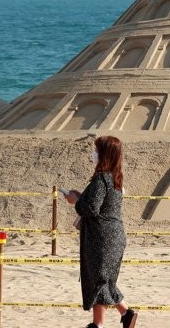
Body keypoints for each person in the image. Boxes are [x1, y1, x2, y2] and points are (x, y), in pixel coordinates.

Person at [63, 135, 137, 328]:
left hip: (102, 238)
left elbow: (91, 208)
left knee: (97, 280)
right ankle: (126, 313)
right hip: (113, 236)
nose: (93, 153)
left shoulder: (101, 179)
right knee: (104, 279)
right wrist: (81, 197)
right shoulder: (115, 179)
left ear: (103, 154)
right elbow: (100, 204)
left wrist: (75, 201)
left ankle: (98, 325)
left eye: (96, 150)